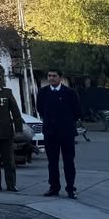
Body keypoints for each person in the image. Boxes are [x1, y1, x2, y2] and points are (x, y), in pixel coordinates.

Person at [38, 68, 82, 198]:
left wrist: (66, 122)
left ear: (60, 78)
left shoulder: (70, 93)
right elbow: (40, 109)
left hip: (67, 132)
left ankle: (70, 188)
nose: (51, 78)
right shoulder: (43, 92)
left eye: (54, 76)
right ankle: (54, 187)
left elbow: (77, 111)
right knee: (52, 162)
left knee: (69, 161)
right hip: (50, 133)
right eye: (49, 75)